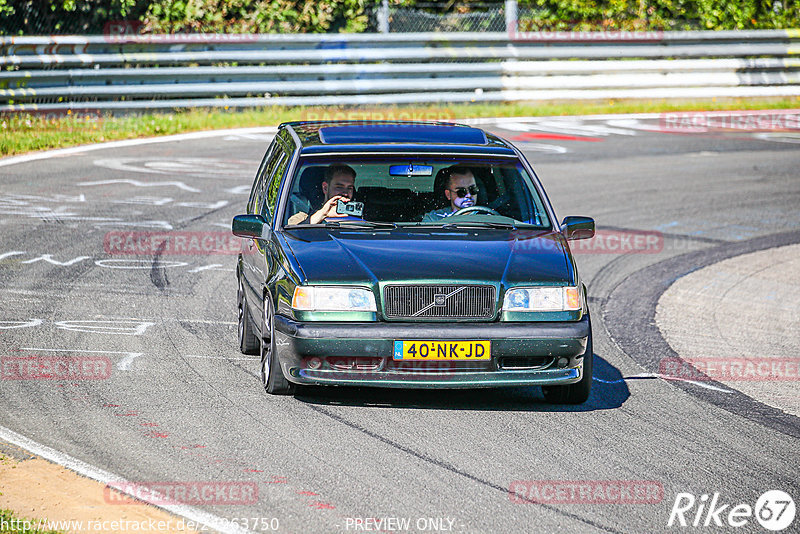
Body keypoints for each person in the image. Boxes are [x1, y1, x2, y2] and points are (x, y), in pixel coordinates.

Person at [287, 164, 356, 225]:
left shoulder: (362, 218)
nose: (345, 193)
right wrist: (323, 214)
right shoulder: (302, 217)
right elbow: (293, 235)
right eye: (339, 187)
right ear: (325, 188)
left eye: (349, 188)